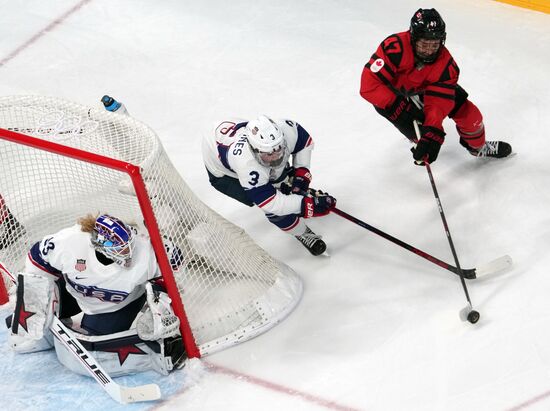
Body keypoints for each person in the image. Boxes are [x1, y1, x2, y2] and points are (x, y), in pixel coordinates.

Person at [7, 213, 186, 377]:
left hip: (118, 306)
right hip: (75, 293)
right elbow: (37, 258)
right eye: (121, 250)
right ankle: (42, 334)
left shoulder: (145, 251)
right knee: (29, 326)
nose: (128, 253)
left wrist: (160, 303)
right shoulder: (70, 241)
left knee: (93, 341)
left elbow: (175, 267)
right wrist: (37, 299)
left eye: (128, 246)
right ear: (101, 245)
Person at [360, 8, 512, 164]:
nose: (429, 50)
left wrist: (433, 128)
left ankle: (478, 148)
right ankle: (416, 139)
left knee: (471, 116)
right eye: (424, 44)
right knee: (420, 140)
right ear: (413, 38)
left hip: (425, 90)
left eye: (435, 44)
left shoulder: (447, 66)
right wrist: (397, 104)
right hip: (393, 97)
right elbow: (369, 85)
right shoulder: (394, 47)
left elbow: (438, 103)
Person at [202, 115, 336, 256]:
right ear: (254, 150)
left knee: (279, 177)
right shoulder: (246, 165)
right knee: (270, 208)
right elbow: (271, 204)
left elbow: (304, 143)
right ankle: (302, 233)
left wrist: (301, 176)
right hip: (222, 174)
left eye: (279, 149)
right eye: (268, 154)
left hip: (230, 136)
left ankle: (291, 191)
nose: (276, 157)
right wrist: (305, 205)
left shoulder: (286, 129)